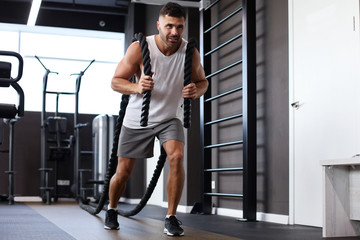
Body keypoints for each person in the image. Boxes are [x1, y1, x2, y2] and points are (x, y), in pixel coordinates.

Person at [104, 2, 208, 237]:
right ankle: (112, 209)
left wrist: (196, 90)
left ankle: (171, 217)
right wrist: (136, 86)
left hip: (170, 117)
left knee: (177, 156)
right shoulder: (139, 48)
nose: (174, 32)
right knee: (123, 172)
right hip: (137, 119)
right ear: (158, 24)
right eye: (169, 26)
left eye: (179, 27)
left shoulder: (189, 51)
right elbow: (115, 81)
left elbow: (203, 82)